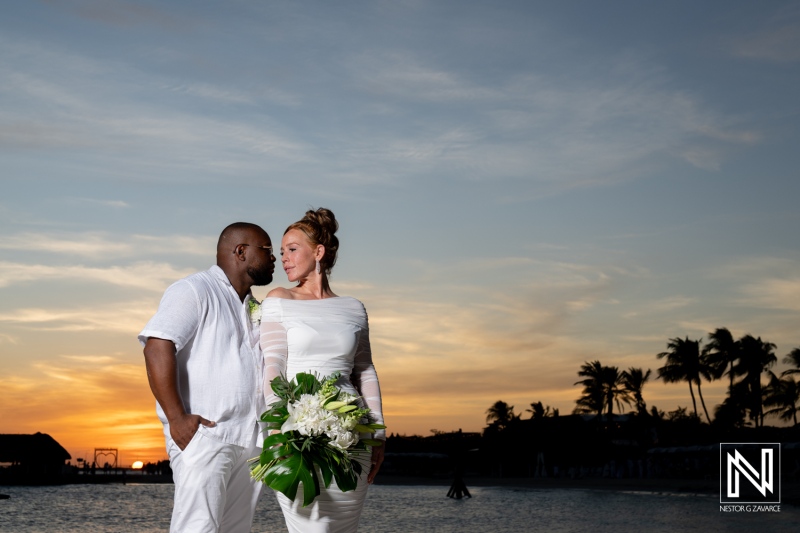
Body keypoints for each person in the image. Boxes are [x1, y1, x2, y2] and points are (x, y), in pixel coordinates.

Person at [139, 222, 276, 533]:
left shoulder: (254, 306)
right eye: (266, 251)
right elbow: (157, 347)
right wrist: (177, 419)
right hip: (206, 435)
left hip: (251, 442)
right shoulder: (194, 290)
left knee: (234, 530)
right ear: (241, 252)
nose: (274, 259)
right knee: (197, 528)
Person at [260, 208, 385, 532]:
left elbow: (365, 371)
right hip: (295, 434)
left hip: (352, 435)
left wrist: (379, 433)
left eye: (291, 248)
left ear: (318, 252)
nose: (283, 258)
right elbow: (272, 365)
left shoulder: (353, 308)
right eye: (282, 250)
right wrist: (276, 429)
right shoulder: (278, 299)